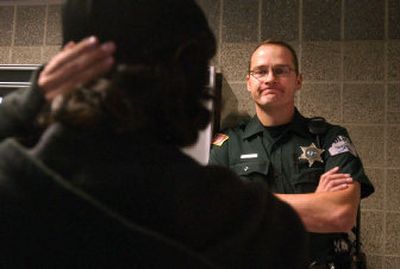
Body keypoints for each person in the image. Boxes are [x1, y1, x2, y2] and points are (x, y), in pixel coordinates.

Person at [0, 1, 308, 268]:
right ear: (192, 76)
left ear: (69, 65)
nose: (270, 79)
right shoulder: (258, 228)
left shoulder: (12, 182)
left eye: (281, 70)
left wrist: (31, 100)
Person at [209, 40, 375, 268]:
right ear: (248, 82)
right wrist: (316, 204)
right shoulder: (227, 145)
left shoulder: (329, 138)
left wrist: (242, 203)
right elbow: (212, 216)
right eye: (260, 71)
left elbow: (340, 213)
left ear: (298, 80)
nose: (270, 78)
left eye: (281, 70)